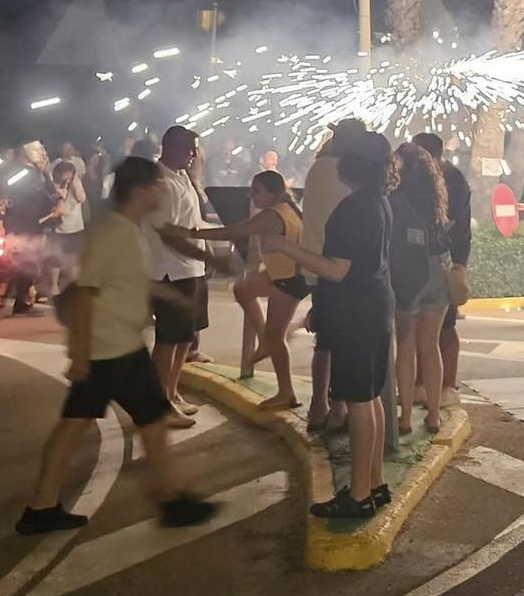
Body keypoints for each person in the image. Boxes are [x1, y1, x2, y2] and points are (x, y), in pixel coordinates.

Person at [18, 157, 217, 535]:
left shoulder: (129, 228)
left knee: (111, 422)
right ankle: (170, 500)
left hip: (117, 346)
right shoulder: (110, 232)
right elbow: (85, 294)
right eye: (157, 185)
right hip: (108, 350)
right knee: (127, 421)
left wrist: (170, 298)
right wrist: (78, 355)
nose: (162, 190)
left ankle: (43, 507)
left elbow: (126, 280)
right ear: (141, 190)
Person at [268, 131, 396, 519]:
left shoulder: (354, 209)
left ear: (353, 164)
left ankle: (358, 496)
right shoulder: (379, 203)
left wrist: (287, 248)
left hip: (355, 312)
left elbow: (337, 270)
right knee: (368, 397)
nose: (335, 161)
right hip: (375, 307)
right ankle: (373, 485)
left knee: (359, 400)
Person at [168, 171, 306, 412]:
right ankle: (264, 341)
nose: (251, 196)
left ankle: (287, 392)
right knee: (242, 289)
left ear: (272, 193)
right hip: (278, 273)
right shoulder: (288, 207)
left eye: (256, 191)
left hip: (287, 280)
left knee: (277, 337)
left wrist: (190, 233)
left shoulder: (272, 215)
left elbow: (232, 232)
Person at [144, 126, 221, 424]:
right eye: (189, 149)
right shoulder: (161, 182)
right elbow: (168, 233)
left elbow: (193, 223)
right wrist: (207, 254)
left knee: (185, 338)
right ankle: (157, 404)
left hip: (189, 270)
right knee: (168, 340)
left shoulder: (181, 177)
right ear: (171, 147)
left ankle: (172, 393)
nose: (193, 155)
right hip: (170, 273)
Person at [300, 120, 362, 434]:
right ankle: (338, 408)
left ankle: (317, 405)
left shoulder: (318, 168)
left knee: (325, 339)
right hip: (337, 265)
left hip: (312, 263)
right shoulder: (345, 174)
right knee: (340, 340)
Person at [388, 143, 450, 437]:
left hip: (408, 274)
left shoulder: (395, 197)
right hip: (438, 269)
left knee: (407, 346)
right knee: (431, 345)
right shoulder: (436, 196)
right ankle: (435, 415)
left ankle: (404, 417)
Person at [413, 133, 471, 409]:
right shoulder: (419, 176)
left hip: (443, 259)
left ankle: (447, 384)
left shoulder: (453, 180)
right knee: (421, 329)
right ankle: (421, 384)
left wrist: (459, 264)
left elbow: (458, 226)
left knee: (445, 326)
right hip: (420, 260)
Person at [0, 142, 58, 319]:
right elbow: (1, 195)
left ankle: (23, 303)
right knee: (8, 265)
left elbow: (52, 195)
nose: (43, 153)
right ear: (27, 152)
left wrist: (45, 172)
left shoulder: (39, 173)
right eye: (38, 150)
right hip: (14, 224)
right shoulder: (12, 171)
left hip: (34, 224)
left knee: (30, 266)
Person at [43, 160, 87, 300]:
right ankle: (54, 287)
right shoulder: (52, 185)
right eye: (65, 174)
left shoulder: (76, 182)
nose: (67, 177)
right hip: (58, 227)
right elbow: (57, 207)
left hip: (75, 226)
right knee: (56, 258)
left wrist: (73, 184)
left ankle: (74, 287)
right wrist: (61, 192)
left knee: (74, 258)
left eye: (70, 174)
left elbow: (81, 198)